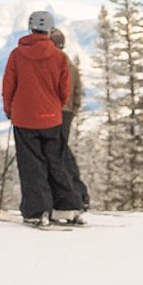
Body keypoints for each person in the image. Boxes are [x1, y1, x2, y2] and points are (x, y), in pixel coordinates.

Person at [1, 10, 84, 227]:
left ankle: (37, 211)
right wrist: (55, 107)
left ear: (30, 27)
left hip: (24, 118)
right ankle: (66, 207)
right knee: (56, 162)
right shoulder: (59, 57)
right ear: (49, 29)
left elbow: (9, 85)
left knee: (32, 165)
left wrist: (9, 109)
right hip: (51, 117)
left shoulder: (17, 55)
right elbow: (64, 90)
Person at [50, 27, 90, 212]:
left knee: (57, 156)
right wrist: (72, 111)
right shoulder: (70, 65)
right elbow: (77, 92)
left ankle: (73, 197)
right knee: (62, 153)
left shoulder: (56, 63)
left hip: (55, 113)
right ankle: (80, 195)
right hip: (65, 114)